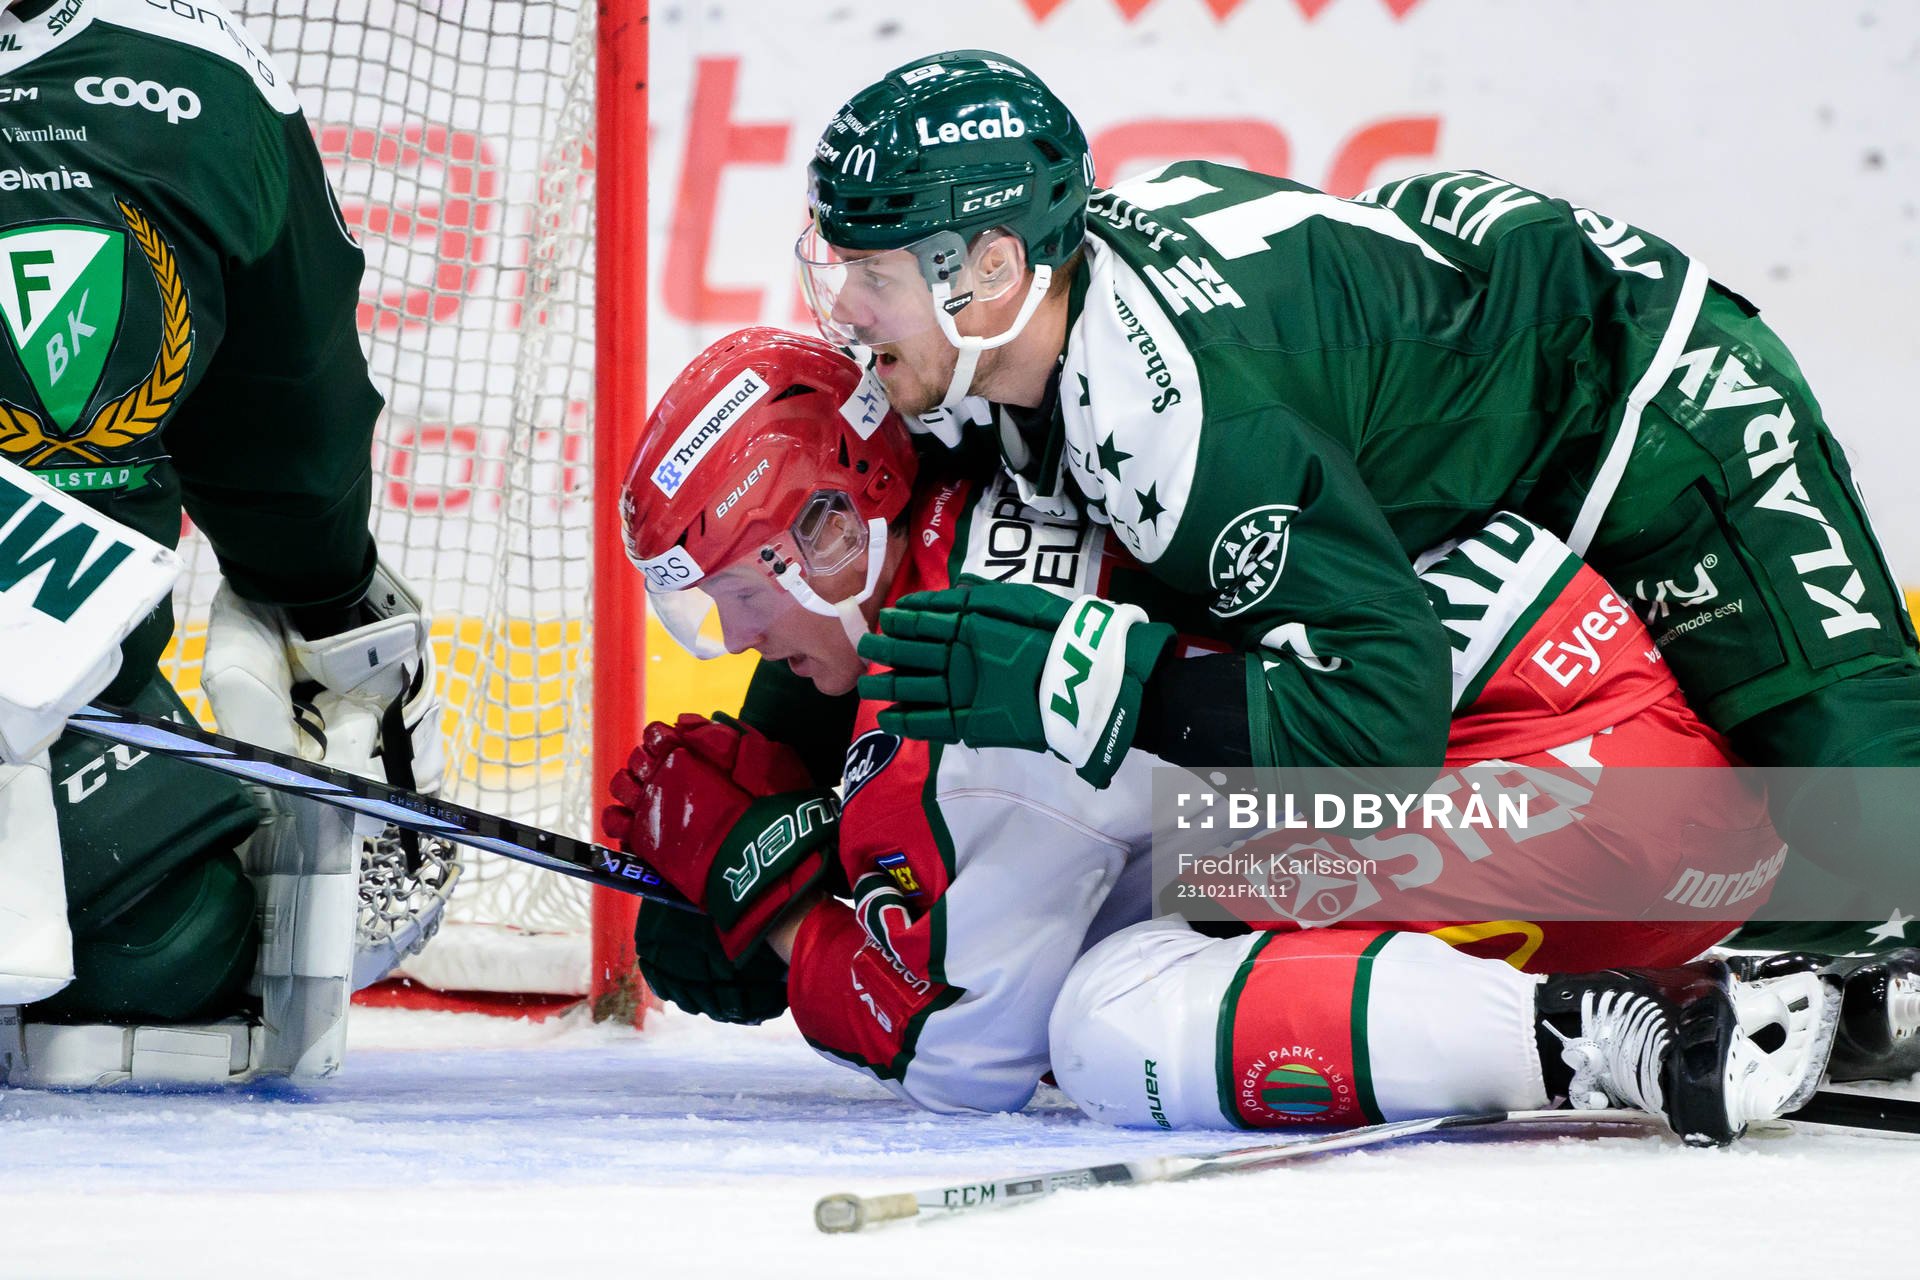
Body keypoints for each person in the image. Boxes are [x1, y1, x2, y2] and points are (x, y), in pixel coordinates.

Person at [604, 328, 1900, 1145]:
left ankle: (1613, 1032)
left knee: (1104, 1025)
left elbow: (960, 1051)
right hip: (1631, 752)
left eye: (741, 585)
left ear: (842, 521)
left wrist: (771, 903)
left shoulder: (957, 686)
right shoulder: (1025, 439)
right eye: (700, 602)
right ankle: (1830, 980)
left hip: (1582, 799)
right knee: (1166, 870)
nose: (733, 631)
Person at [792, 50, 1920, 951]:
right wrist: (780, 777)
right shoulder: (1008, 343)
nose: (843, 304)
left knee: (1883, 839)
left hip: (1646, 400)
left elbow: (1386, 724)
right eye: (835, 263)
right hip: (1482, 398)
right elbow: (866, 516)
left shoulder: (1179, 418)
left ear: (989, 268)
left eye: (872, 274)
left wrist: (1101, 685)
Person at [0, 0, 440, 1085]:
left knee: (163, 936)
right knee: (168, 942)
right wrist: (327, 599)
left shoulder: (190, 78)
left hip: (52, 704)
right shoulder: (190, 73)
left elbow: (283, 425)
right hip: (58, 706)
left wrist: (325, 595)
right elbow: (288, 431)